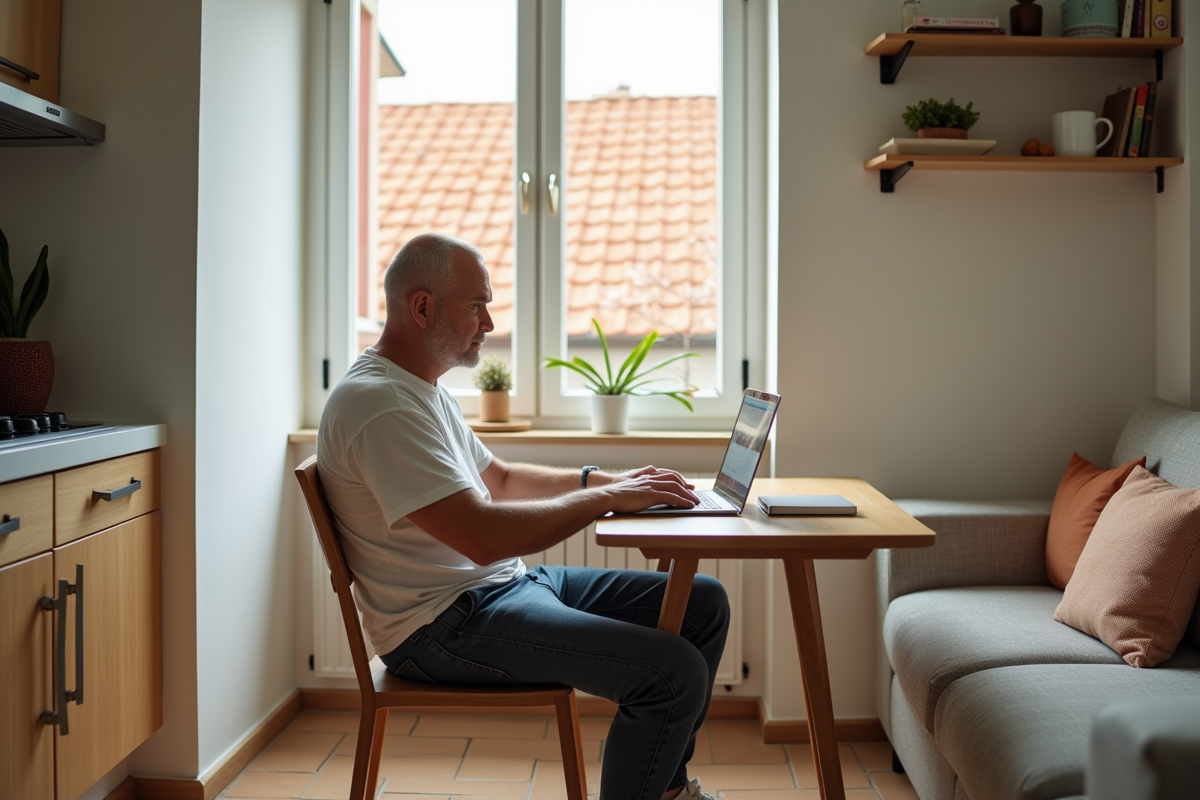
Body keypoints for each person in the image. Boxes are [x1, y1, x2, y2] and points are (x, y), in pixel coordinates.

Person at [317, 232, 730, 800]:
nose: (488, 324)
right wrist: (605, 501)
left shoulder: (420, 389)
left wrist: (609, 483)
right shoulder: (380, 405)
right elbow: (482, 538)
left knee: (704, 604)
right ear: (422, 307)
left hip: (499, 589)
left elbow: (503, 480)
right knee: (669, 672)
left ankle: (666, 791)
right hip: (440, 626)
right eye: (477, 306)